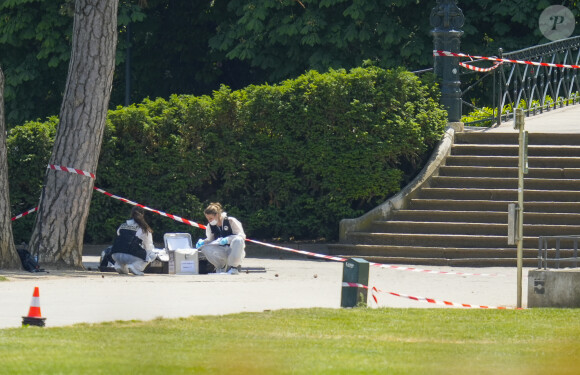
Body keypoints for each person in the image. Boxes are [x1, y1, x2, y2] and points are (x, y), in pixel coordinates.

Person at [196, 202, 246, 275]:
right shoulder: (210, 226)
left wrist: (228, 239)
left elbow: (241, 236)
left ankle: (233, 268)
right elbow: (210, 240)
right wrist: (203, 242)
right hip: (221, 250)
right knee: (205, 248)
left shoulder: (230, 221)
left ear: (217, 215)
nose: (209, 221)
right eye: (208, 219)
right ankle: (221, 268)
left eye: (211, 218)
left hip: (233, 250)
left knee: (238, 240)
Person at [110, 206, 156, 276]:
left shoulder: (122, 225)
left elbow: (121, 239)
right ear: (142, 215)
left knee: (124, 247)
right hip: (131, 255)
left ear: (131, 214)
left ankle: (119, 265)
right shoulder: (144, 228)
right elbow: (148, 246)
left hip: (115, 254)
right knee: (152, 254)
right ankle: (135, 267)